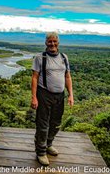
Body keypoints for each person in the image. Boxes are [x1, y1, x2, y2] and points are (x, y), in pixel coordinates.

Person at [31, 32, 74, 166]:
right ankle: (41, 152)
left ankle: (48, 144)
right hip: (44, 94)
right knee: (43, 124)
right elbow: (34, 78)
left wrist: (71, 95)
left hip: (59, 95)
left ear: (58, 43)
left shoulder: (64, 57)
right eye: (50, 41)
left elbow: (67, 77)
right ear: (45, 43)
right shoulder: (40, 58)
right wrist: (34, 97)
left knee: (56, 123)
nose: (52, 44)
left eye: (54, 41)